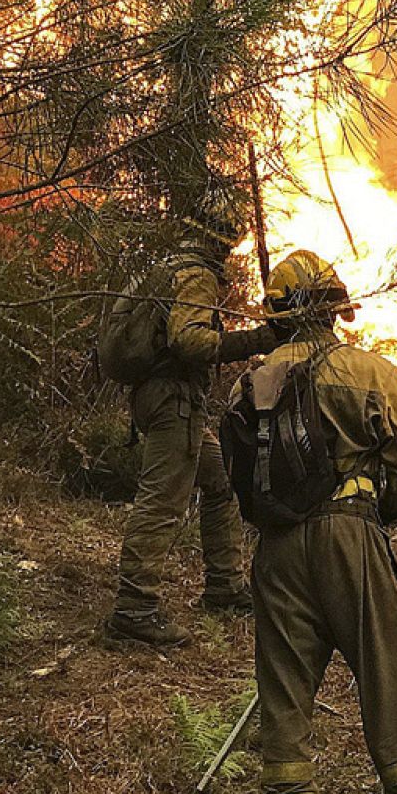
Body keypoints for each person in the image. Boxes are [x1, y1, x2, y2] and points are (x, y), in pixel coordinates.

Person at [243, 251, 397, 794]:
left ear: (280, 316)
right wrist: (372, 510)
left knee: (283, 694)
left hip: (276, 552)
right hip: (349, 539)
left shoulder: (251, 382)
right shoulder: (369, 372)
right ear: (334, 308)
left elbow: (242, 478)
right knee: (390, 677)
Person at [104, 197, 282, 648]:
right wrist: (258, 340)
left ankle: (224, 585)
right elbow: (190, 342)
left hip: (158, 399)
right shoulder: (197, 274)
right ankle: (134, 609)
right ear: (222, 239)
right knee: (163, 501)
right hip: (174, 402)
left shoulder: (165, 266)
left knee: (220, 481)